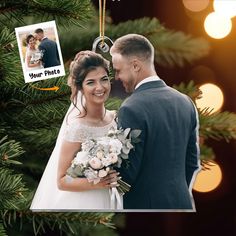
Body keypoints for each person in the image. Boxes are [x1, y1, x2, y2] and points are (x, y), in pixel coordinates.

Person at [110, 34, 201, 210]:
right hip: (183, 204)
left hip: (145, 212)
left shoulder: (131, 108)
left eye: (118, 70)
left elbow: (126, 174)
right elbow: (192, 163)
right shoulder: (185, 102)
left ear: (135, 65)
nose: (117, 77)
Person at [30, 51, 121, 210]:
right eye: (91, 82)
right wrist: (96, 182)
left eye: (104, 80)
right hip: (85, 203)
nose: (100, 87)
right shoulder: (78, 128)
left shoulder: (115, 118)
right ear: (80, 87)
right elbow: (63, 181)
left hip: (112, 197)